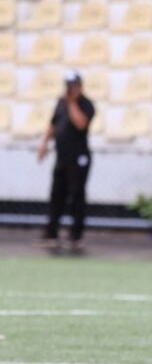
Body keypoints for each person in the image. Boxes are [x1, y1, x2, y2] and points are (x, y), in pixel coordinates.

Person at [37, 70, 95, 250]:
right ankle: (51, 232)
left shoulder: (85, 104)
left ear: (80, 86)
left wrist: (72, 103)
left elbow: (81, 123)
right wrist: (44, 144)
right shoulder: (61, 103)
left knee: (76, 195)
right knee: (57, 194)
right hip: (62, 157)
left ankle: (75, 235)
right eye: (69, 85)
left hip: (78, 157)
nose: (71, 89)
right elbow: (53, 124)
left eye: (74, 85)